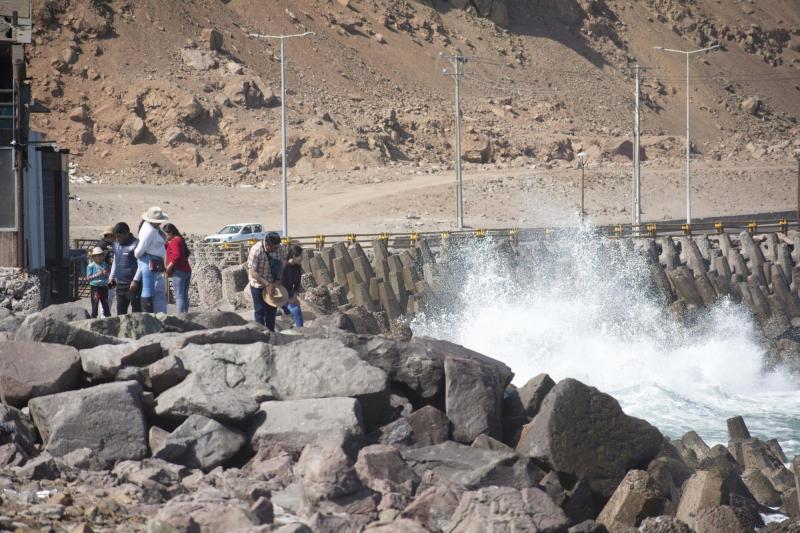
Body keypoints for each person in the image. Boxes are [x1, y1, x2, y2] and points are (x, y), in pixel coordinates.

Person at [247, 232, 286, 331]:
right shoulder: (256, 250)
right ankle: (261, 333)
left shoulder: (280, 248)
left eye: (277, 247)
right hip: (258, 284)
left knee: (272, 310)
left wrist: (278, 280)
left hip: (273, 282)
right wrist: (266, 284)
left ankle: (271, 332)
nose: (276, 249)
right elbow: (252, 272)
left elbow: (282, 265)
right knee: (260, 311)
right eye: (274, 248)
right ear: (267, 245)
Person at [134, 206, 169, 313]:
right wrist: (142, 256)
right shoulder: (150, 231)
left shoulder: (150, 228)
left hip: (152, 261)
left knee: (153, 289)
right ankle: (148, 314)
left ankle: (152, 314)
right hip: (150, 261)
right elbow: (139, 251)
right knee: (148, 290)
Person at [108, 222, 142, 315]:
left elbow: (141, 264)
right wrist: (111, 277)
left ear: (126, 233)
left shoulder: (136, 244)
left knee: (136, 311)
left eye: (119, 236)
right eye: (115, 237)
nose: (117, 239)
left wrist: (135, 280)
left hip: (133, 285)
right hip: (120, 284)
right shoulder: (116, 245)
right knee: (120, 312)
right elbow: (115, 261)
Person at [163, 223, 192, 314]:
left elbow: (177, 255)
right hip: (186, 270)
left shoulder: (175, 241)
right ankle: (185, 315)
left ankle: (180, 317)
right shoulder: (179, 239)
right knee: (184, 295)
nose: (165, 236)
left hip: (178, 272)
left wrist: (168, 267)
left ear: (170, 233)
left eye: (166, 234)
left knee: (179, 297)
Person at [281, 245, 304, 327]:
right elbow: (280, 286)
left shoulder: (298, 266)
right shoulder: (284, 266)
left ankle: (300, 329)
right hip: (279, 293)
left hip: (289, 291)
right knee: (295, 309)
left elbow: (297, 283)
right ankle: (300, 330)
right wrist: (288, 300)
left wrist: (295, 296)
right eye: (301, 256)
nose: (302, 258)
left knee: (297, 308)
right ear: (294, 256)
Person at [95, 226, 116, 317]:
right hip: (106, 274)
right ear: (110, 235)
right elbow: (96, 260)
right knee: (106, 295)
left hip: (111, 273)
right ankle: (104, 316)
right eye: (114, 235)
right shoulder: (102, 245)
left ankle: (106, 314)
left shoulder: (107, 244)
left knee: (110, 295)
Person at [86, 246, 111, 318]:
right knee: (95, 303)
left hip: (104, 286)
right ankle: (94, 317)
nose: (100, 257)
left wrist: (106, 274)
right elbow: (88, 278)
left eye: (101, 255)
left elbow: (108, 275)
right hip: (95, 287)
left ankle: (107, 317)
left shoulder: (105, 265)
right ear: (94, 257)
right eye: (98, 255)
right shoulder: (91, 266)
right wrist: (99, 274)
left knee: (105, 303)